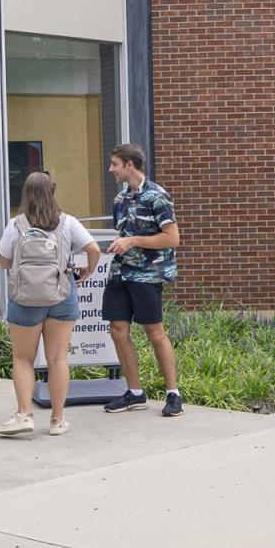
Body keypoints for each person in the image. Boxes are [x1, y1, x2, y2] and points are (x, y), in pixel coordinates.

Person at [0, 172, 101, 436]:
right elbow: (94, 249)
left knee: (22, 358)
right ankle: (57, 420)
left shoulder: (16, 224)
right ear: (52, 192)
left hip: (25, 298)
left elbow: (4, 262)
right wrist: (87, 271)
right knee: (57, 358)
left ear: (26, 194)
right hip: (62, 294)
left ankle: (24, 415)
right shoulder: (67, 223)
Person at [101, 144, 183, 417]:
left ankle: (174, 394)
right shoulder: (120, 200)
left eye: (114, 164)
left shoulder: (157, 197)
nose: (111, 169)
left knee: (154, 333)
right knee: (117, 329)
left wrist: (133, 241)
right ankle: (135, 393)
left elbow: (172, 239)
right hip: (120, 273)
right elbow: (123, 234)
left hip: (148, 275)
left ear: (129, 165)